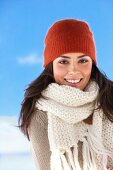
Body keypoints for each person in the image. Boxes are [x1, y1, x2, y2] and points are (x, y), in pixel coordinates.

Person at [18, 19, 113, 170]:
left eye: (82, 60)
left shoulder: (109, 99)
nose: (74, 70)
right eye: (63, 61)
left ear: (92, 63)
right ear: (51, 66)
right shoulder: (40, 115)